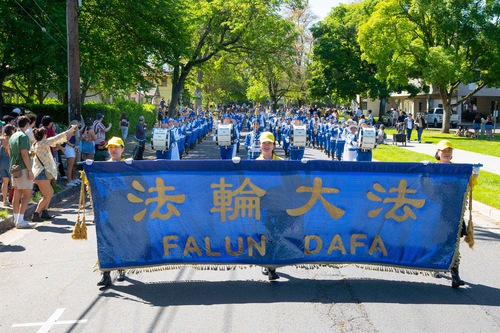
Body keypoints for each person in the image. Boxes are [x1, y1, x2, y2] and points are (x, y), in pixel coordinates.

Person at [434, 140, 465, 288]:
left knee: (453, 244)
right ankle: (436, 265)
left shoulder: (458, 171)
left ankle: (455, 275)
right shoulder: (432, 169)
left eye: (449, 150)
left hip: (454, 213)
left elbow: (464, 189)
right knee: (440, 242)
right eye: (443, 150)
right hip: (437, 213)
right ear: (438, 153)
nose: (446, 153)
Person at [31, 125, 77, 222]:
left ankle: (44, 211)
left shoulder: (36, 143)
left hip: (41, 172)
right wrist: (71, 129)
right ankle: (36, 214)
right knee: (48, 194)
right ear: (44, 135)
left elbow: (56, 140)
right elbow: (57, 138)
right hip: (41, 173)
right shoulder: (43, 143)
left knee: (49, 193)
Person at [97, 136, 126, 286]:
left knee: (120, 239)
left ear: (122, 149)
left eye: (116, 147)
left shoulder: (128, 167)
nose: (113, 150)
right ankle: (106, 274)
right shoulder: (101, 168)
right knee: (105, 240)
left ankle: (121, 268)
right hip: (106, 211)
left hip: (122, 211)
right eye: (110, 147)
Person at [256, 132, 282, 280]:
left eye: (269, 143)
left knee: (275, 235)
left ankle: (271, 266)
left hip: (278, 205)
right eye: (264, 143)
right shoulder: (255, 163)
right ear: (260, 145)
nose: (266, 146)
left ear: (273, 145)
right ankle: (268, 264)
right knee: (265, 235)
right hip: (262, 206)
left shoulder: (281, 162)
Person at [9, 116, 35, 228]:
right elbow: (24, 153)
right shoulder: (23, 136)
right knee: (27, 194)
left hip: (14, 167)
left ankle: (16, 219)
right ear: (27, 124)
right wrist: (30, 170)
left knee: (17, 193)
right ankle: (20, 220)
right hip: (23, 167)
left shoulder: (13, 135)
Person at [0, 124, 15, 206]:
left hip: (1, 161)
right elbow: (9, 150)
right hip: (9, 160)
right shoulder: (10, 139)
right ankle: (14, 199)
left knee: (4, 182)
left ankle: (5, 201)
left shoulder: (1, 138)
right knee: (13, 182)